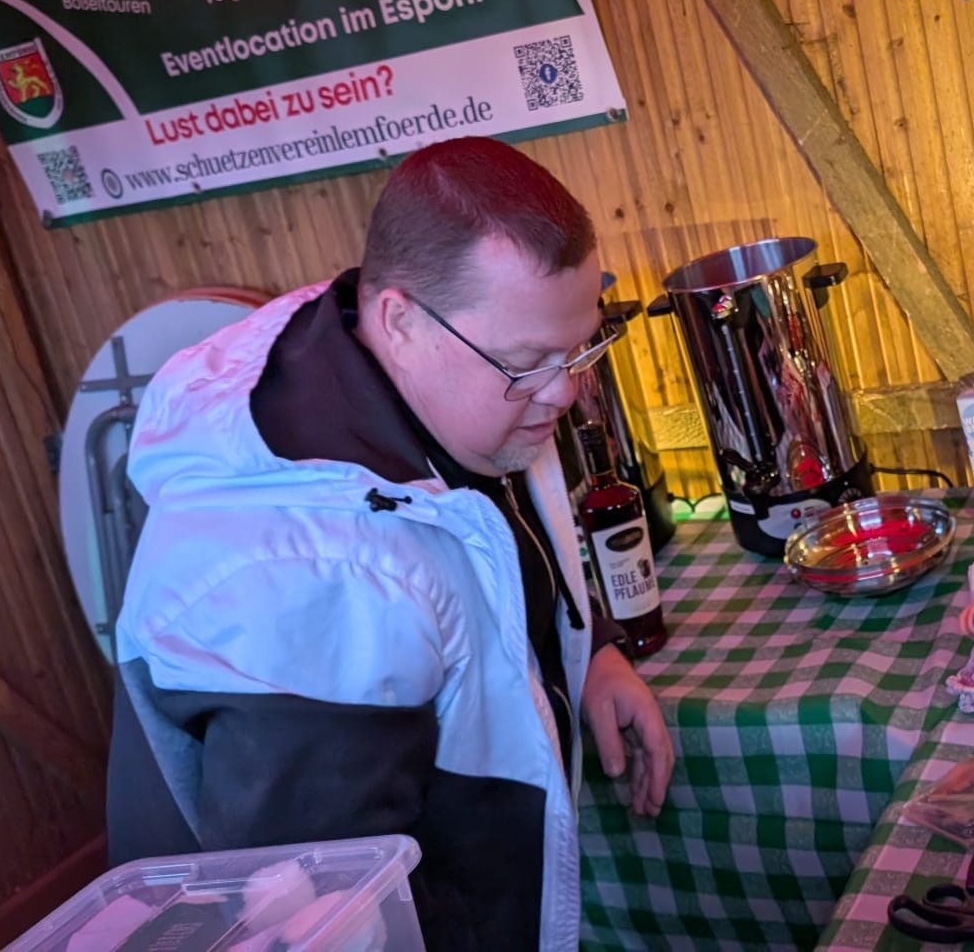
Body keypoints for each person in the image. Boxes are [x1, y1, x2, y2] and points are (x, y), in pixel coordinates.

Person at [105, 137, 674, 950]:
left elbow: (494, 545)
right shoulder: (308, 580)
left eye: (578, 348)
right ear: (400, 322)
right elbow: (321, 912)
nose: (566, 392)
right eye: (528, 363)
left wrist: (590, 650)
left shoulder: (411, 359)